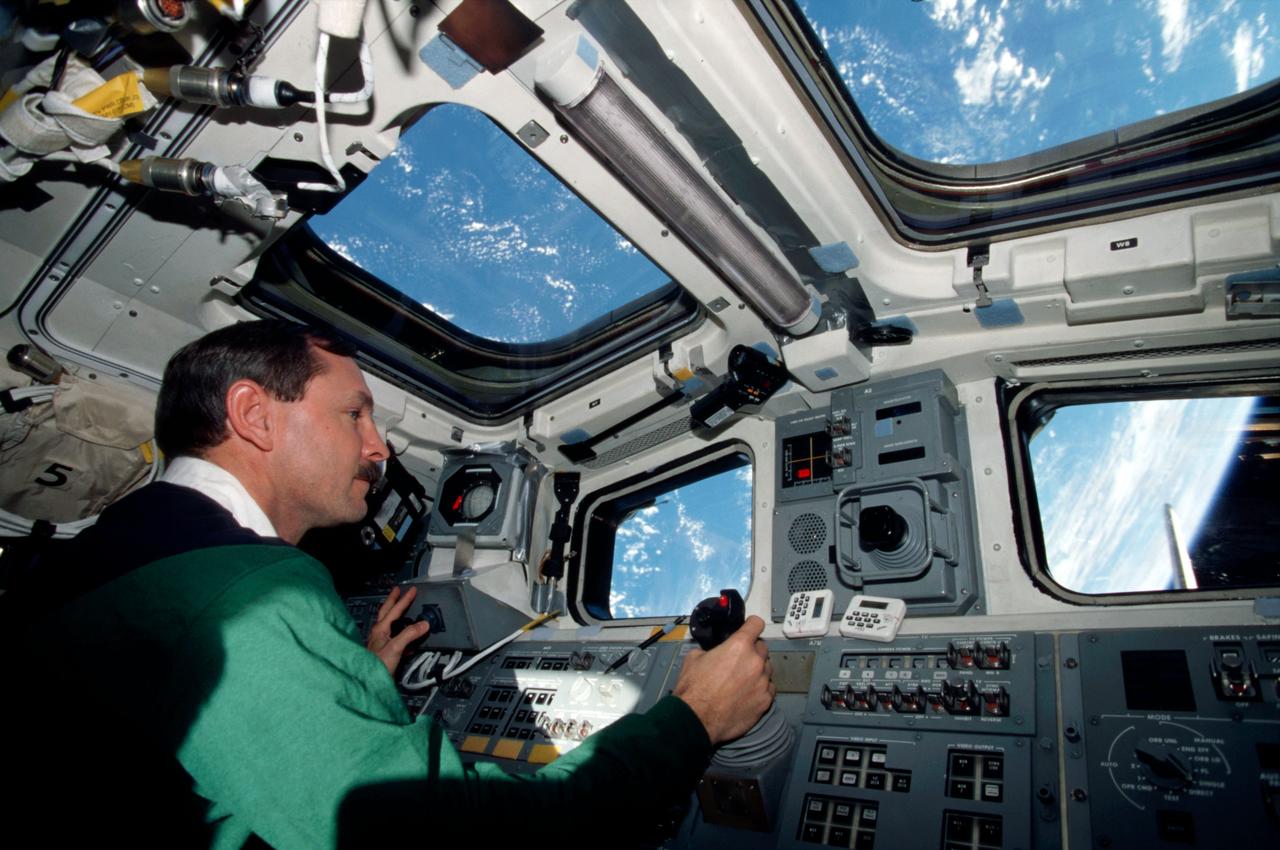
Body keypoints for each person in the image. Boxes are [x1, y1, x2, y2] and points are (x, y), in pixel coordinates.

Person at [8, 319, 774, 849]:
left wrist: (354, 681)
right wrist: (693, 719)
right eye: (355, 415)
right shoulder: (246, 595)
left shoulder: (105, 557)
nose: (380, 448)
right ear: (253, 415)